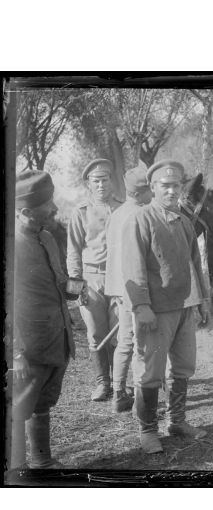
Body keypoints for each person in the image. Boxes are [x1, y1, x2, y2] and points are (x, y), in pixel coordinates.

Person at [122, 160, 209, 454]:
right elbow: (133, 267)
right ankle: (147, 431)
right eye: (165, 186)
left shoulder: (185, 222)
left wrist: (203, 301)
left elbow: (195, 265)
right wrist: (141, 305)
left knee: (183, 367)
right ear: (154, 188)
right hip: (155, 311)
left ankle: (177, 421)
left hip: (185, 306)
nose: (172, 191)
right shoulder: (142, 219)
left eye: (176, 186)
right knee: (150, 371)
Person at [9, 170, 76, 469]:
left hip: (56, 338)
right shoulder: (13, 247)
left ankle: (41, 461)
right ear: (25, 212)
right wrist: (16, 354)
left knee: (44, 401)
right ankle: (15, 469)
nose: (55, 208)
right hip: (29, 347)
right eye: (47, 204)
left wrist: (78, 289)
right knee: (19, 407)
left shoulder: (47, 237)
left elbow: (60, 280)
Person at [67, 158, 122, 401]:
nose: (101, 185)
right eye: (96, 181)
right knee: (96, 333)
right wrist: (76, 285)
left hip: (119, 279)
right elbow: (73, 251)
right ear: (89, 184)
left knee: (121, 333)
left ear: (112, 181)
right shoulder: (80, 213)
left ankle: (121, 382)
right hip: (91, 279)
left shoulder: (123, 209)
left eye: (105, 179)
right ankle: (103, 382)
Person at [104, 166, 153, 412]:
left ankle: (118, 394)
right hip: (132, 287)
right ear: (143, 191)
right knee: (138, 342)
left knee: (125, 341)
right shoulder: (141, 215)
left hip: (117, 286)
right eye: (150, 190)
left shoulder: (118, 212)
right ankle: (140, 399)